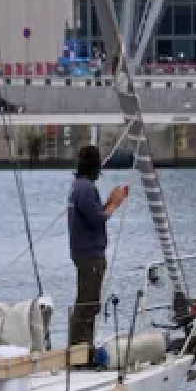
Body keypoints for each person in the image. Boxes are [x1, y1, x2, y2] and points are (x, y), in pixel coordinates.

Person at [67, 145, 128, 350]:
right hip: (90, 255)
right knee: (87, 303)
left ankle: (84, 347)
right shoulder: (86, 188)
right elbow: (97, 219)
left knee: (88, 302)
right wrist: (115, 204)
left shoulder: (79, 186)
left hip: (83, 252)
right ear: (96, 165)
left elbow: (92, 215)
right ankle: (79, 349)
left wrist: (108, 201)